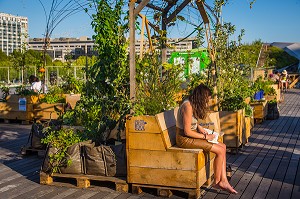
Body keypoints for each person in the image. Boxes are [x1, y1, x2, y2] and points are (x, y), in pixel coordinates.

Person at [176, 84, 238, 194]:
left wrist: (200, 128)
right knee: (219, 150)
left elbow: (191, 122)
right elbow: (187, 131)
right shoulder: (188, 106)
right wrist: (206, 136)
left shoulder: (192, 103)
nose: (207, 102)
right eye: (207, 99)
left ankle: (223, 180)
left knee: (223, 146)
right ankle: (218, 181)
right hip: (184, 139)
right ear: (201, 97)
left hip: (192, 135)